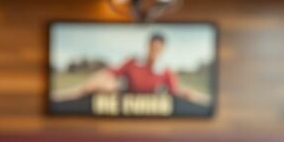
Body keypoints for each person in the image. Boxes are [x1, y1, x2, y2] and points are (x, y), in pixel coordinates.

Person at [50, 33, 209, 111]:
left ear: (162, 50)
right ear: (148, 46)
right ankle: (64, 95)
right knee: (103, 82)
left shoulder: (166, 71)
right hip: (123, 93)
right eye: (152, 47)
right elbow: (111, 72)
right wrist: (98, 80)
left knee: (190, 93)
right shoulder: (133, 62)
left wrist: (188, 94)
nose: (155, 51)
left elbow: (175, 91)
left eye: (158, 48)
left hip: (146, 104)